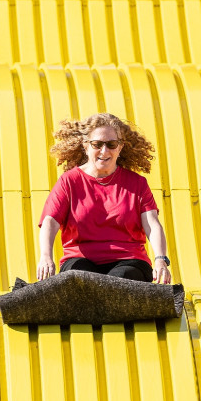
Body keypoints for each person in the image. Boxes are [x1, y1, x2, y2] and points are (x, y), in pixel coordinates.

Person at [37, 113, 173, 284]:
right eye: (97, 144)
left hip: (129, 261)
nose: (104, 151)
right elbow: (50, 221)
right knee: (80, 279)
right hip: (80, 261)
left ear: (120, 147)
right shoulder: (68, 182)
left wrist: (160, 259)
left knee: (120, 280)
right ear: (85, 146)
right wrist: (45, 257)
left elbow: (152, 223)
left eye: (111, 144)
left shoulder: (137, 183)